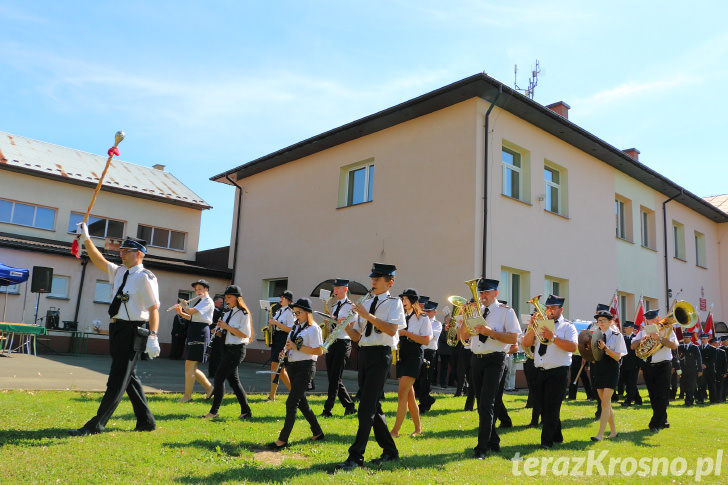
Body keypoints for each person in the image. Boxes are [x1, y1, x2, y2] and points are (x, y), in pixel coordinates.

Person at [69, 224, 160, 436]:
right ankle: (146, 422)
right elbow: (98, 259)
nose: (121, 254)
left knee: (117, 378)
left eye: (125, 252)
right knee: (129, 377)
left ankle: (96, 425)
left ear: (138, 254)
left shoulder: (145, 277)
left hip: (134, 330)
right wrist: (86, 238)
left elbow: (154, 308)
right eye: (120, 251)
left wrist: (153, 336)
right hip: (118, 328)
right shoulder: (120, 271)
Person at [336, 263, 406, 471]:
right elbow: (358, 336)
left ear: (389, 282)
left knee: (365, 408)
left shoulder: (395, 303)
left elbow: (392, 330)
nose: (372, 282)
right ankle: (390, 451)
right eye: (372, 279)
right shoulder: (366, 302)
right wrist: (345, 326)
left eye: (377, 279)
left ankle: (356, 456)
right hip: (365, 355)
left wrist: (367, 316)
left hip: (381, 356)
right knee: (374, 406)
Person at [462, 278, 520, 459]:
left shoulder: (506, 312)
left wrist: (490, 333)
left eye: (486, 292)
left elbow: (513, 339)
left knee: (486, 404)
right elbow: (462, 337)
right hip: (476, 359)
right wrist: (465, 318)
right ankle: (493, 441)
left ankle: (481, 448)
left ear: (495, 293)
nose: (482, 296)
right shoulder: (474, 311)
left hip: (496, 359)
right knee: (482, 404)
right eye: (481, 292)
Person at [268, 298, 325, 449]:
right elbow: (291, 347)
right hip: (292, 366)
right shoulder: (295, 327)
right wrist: (284, 353)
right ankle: (318, 432)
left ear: (307, 313)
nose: (296, 316)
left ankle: (282, 440)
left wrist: (295, 347)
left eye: (298, 313)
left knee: (292, 402)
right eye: (295, 313)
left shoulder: (314, 329)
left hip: (305, 368)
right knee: (303, 404)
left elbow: (319, 351)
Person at [522, 294, 577, 450]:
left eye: (553, 308)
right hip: (540, 370)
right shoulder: (541, 323)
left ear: (561, 309)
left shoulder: (568, 326)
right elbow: (526, 343)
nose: (550, 311)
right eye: (548, 308)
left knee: (552, 407)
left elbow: (573, 347)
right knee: (543, 406)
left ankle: (546, 442)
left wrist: (553, 338)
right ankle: (557, 436)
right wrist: (532, 327)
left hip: (558, 371)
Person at [202, 285, 253, 420]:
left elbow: (244, 334)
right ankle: (246, 411)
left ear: (237, 298)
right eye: (226, 297)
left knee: (219, 378)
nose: (227, 300)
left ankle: (214, 411)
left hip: (237, 350)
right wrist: (217, 331)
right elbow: (225, 333)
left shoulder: (243, 313)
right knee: (234, 382)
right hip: (227, 348)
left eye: (229, 297)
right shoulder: (227, 312)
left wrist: (227, 327)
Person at [390, 288, 431, 438]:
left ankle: (395, 431)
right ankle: (418, 429)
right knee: (409, 396)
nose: (403, 301)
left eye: (405, 299)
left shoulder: (423, 318)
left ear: (413, 301)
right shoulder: (400, 316)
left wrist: (407, 333)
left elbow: (426, 340)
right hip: (402, 355)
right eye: (402, 299)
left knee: (401, 394)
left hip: (414, 356)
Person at [631, 309, 678, 432]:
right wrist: (642, 340)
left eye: (653, 319)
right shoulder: (643, 330)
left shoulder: (668, 329)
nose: (651, 321)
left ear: (658, 318)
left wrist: (659, 339)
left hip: (663, 365)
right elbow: (632, 346)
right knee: (653, 395)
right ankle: (663, 420)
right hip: (648, 365)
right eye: (649, 319)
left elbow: (674, 346)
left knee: (662, 395)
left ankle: (654, 424)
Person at [174, 279, 214, 402]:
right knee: (191, 367)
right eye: (196, 290)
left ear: (206, 290)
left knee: (190, 366)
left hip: (200, 332)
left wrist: (184, 304)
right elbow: (191, 317)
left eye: (200, 289)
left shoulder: (207, 301)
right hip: (195, 329)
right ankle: (210, 388)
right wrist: (180, 312)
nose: (197, 291)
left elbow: (191, 311)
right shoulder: (201, 301)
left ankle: (187, 396)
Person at [321, 279, 357, 417]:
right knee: (333, 377)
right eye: (334, 289)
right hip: (332, 342)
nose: (334, 291)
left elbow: (354, 325)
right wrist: (329, 319)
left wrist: (343, 322)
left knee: (335, 378)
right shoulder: (335, 305)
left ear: (345, 289)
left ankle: (327, 410)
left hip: (343, 343)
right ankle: (350, 406)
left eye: (337, 288)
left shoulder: (350, 306)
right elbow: (335, 320)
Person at [590, 309, 626, 441]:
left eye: (603, 321)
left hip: (612, 369)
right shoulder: (596, 335)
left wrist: (605, 349)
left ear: (610, 322)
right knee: (606, 403)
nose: (600, 323)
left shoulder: (617, 335)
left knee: (604, 403)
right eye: (599, 321)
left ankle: (600, 434)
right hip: (599, 368)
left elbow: (617, 357)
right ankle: (613, 431)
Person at [267, 290, 295, 401]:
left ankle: (273, 396)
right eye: (281, 297)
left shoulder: (290, 312)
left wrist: (276, 323)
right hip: (277, 338)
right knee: (279, 369)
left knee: (276, 367)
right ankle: (292, 392)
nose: (281, 299)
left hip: (283, 339)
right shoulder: (279, 310)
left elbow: (290, 329)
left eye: (283, 297)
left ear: (288, 300)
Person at [418, 300, 441, 413]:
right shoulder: (420, 321)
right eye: (424, 310)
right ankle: (427, 399)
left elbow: (430, 337)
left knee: (425, 378)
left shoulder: (436, 324)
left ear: (434, 312)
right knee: (418, 378)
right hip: (420, 351)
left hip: (429, 352)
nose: (426, 312)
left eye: (428, 311)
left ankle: (424, 403)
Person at [620, 322, 643, 406]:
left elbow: (640, 352)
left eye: (627, 327)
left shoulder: (636, 338)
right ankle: (638, 399)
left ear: (632, 328)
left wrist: (640, 366)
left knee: (631, 383)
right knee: (629, 383)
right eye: (624, 328)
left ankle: (628, 401)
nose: (625, 329)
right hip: (625, 364)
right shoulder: (623, 338)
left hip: (634, 364)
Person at [677, 331, 702, 406]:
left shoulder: (694, 347)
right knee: (685, 385)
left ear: (690, 338)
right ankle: (691, 398)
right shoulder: (680, 347)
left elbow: (699, 359)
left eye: (687, 337)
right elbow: (677, 358)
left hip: (692, 370)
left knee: (691, 385)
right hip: (683, 370)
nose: (685, 339)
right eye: (684, 337)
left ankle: (689, 401)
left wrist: (700, 370)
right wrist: (678, 369)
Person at [207, 294, 226, 380]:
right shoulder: (212, 310)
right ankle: (212, 372)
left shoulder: (223, 311)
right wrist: (211, 330)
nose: (222, 303)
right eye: (220, 302)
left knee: (219, 355)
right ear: (215, 302)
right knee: (215, 355)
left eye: (222, 302)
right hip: (214, 333)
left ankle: (216, 372)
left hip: (220, 334)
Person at [698, 333, 717, 404]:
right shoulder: (698, 348)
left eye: (704, 339)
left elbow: (713, 359)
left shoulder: (713, 348)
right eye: (701, 339)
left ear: (708, 339)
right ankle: (701, 399)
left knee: (711, 385)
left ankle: (713, 400)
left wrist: (706, 365)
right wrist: (700, 365)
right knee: (701, 385)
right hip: (701, 370)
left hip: (710, 370)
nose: (702, 340)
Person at [711, 337, 727, 402]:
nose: (716, 344)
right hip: (711, 371)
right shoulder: (710, 351)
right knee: (713, 386)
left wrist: (725, 372)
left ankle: (721, 398)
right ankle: (714, 398)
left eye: (717, 343)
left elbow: (725, 362)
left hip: (720, 371)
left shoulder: (722, 352)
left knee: (720, 385)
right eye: (714, 343)